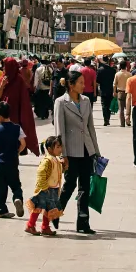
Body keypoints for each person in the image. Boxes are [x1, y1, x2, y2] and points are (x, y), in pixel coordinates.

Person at [54, 68, 101, 234]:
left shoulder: (87, 101)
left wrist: (96, 150)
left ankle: (83, 221)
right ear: (71, 85)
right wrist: (63, 154)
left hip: (87, 150)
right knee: (70, 185)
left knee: (85, 187)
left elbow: (91, 128)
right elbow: (60, 130)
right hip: (71, 152)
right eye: (80, 82)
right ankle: (56, 212)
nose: (84, 85)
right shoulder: (61, 102)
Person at [0, 58, 40, 156]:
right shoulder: (2, 78)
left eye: (5, 66)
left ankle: (12, 156)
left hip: (15, 114)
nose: (3, 68)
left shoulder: (19, 80)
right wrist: (2, 85)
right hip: (3, 112)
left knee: (13, 138)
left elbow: (24, 99)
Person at [0, 101, 26, 218]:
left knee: (0, 186)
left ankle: (1, 209)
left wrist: (0, 151)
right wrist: (17, 152)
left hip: (0, 164)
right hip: (13, 162)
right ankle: (17, 198)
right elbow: (23, 143)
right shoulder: (17, 128)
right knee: (16, 184)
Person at [25, 135, 64, 237]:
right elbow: (41, 173)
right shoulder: (48, 160)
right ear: (50, 149)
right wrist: (43, 186)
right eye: (58, 147)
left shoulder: (56, 159)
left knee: (48, 209)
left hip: (53, 189)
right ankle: (30, 225)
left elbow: (56, 173)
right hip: (45, 189)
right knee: (38, 208)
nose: (61, 149)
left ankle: (45, 227)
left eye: (61, 147)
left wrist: (63, 167)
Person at [96, 56, 116, 127]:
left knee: (104, 105)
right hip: (111, 89)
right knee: (109, 104)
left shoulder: (100, 70)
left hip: (103, 89)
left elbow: (97, 81)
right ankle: (108, 118)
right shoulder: (113, 70)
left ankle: (105, 119)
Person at [113, 60, 131, 128]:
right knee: (128, 108)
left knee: (121, 109)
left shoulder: (117, 74)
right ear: (126, 66)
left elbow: (114, 84)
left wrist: (114, 92)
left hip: (120, 92)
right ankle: (128, 121)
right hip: (128, 92)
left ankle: (122, 123)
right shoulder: (129, 74)